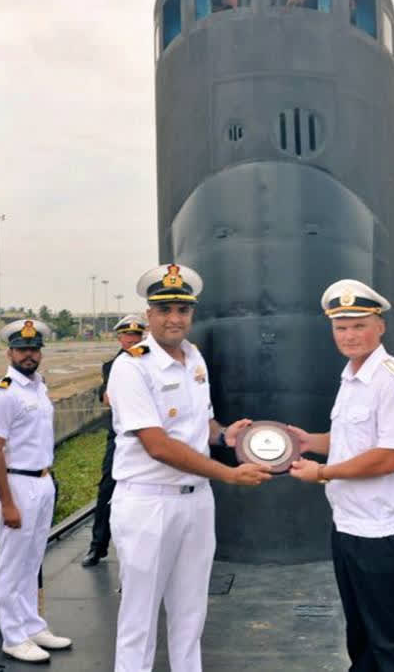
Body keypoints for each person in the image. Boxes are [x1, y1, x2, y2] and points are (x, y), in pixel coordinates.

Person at [107, 263, 272, 672]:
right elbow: (158, 445)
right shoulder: (131, 367)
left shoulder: (193, 358)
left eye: (182, 310)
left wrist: (224, 436)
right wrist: (228, 474)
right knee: (139, 619)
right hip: (149, 504)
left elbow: (201, 423)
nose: (174, 318)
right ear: (148, 315)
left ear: (191, 314)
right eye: (164, 310)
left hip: (196, 502)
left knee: (190, 612)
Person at [287, 278, 394, 671]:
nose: (349, 335)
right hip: (348, 525)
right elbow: (352, 439)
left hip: (380, 532)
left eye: (359, 325)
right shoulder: (352, 377)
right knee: (361, 635)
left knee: (393, 640)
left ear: (380, 326)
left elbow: (387, 458)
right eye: (341, 327)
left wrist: (322, 473)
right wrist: (308, 442)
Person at [0, 319, 73, 662]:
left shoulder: (39, 387)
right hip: (16, 483)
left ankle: (32, 625)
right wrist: (6, 501)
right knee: (11, 564)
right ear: (9, 352)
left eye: (34, 349)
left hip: (42, 480)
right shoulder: (5, 394)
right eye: (22, 349)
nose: (29, 355)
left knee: (32, 559)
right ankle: (12, 634)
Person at [81, 314, 147, 568]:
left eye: (136, 336)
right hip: (121, 435)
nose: (132, 340)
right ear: (119, 338)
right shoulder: (112, 366)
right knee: (107, 487)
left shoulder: (151, 361)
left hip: (150, 434)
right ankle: (98, 546)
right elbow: (107, 396)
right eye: (127, 336)